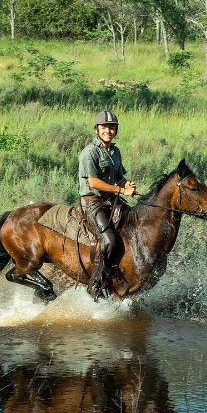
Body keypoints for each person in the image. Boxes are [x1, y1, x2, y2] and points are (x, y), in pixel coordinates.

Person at [79, 111, 137, 299]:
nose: (108, 131)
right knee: (110, 240)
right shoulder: (89, 152)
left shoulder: (115, 151)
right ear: (97, 130)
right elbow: (93, 183)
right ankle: (96, 283)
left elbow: (119, 176)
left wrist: (126, 184)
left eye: (111, 127)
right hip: (93, 201)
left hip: (112, 199)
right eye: (104, 127)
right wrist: (121, 191)